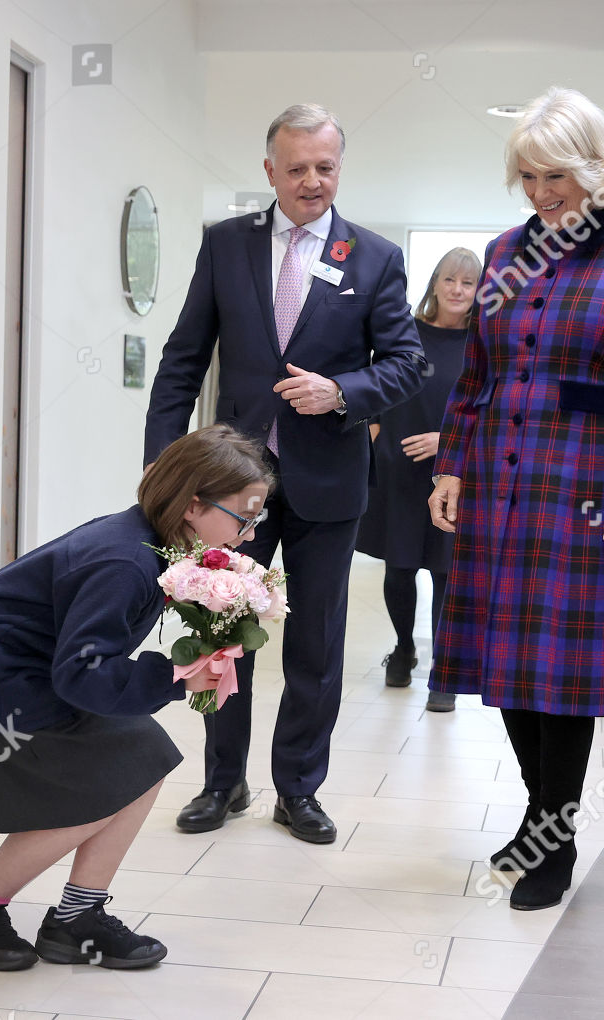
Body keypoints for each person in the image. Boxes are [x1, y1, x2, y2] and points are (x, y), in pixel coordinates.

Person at [144, 104, 424, 845]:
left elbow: (406, 362)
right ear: (269, 171)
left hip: (329, 486)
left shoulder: (374, 259)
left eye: (324, 167)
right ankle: (222, 781)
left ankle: (298, 789)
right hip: (229, 491)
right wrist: (162, 475)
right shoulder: (225, 247)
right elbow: (182, 362)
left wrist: (344, 393)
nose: (311, 181)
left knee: (316, 646)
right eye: (296, 168)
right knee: (217, 634)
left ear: (340, 168)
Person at [427, 86, 604, 911]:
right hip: (499, 478)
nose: (539, 193)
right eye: (526, 177)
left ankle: (553, 840)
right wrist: (452, 464)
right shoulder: (503, 252)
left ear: (594, 166)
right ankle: (541, 817)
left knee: (559, 672)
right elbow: (479, 372)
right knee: (506, 661)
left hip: (585, 483)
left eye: (553, 175)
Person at [0, 426, 270, 972]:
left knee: (144, 760)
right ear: (194, 505)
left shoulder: (154, 540)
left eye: (256, 520)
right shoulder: (125, 562)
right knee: (107, 784)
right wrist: (174, 676)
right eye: (243, 519)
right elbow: (82, 675)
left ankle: (77, 919)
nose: (248, 535)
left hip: (20, 666)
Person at [356, 247, 480, 712]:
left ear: (479, 292)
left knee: (447, 572)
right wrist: (372, 431)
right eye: (450, 280)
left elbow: (495, 410)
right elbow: (375, 384)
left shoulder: (483, 343)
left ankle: (443, 671)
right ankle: (404, 649)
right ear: (434, 283)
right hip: (398, 470)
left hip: (456, 473)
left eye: (467, 284)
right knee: (400, 567)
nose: (457, 290)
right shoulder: (405, 333)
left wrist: (446, 440)